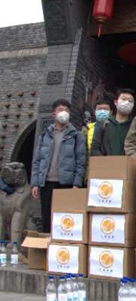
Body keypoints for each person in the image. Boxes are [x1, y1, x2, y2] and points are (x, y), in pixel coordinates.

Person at [31, 99, 87, 233]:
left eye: (67, 110)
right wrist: (35, 183)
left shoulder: (76, 135)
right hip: (46, 182)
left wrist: (77, 183)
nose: (64, 113)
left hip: (66, 183)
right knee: (46, 218)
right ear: (54, 114)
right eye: (61, 110)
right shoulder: (45, 135)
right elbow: (37, 160)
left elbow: (81, 161)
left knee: (64, 220)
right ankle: (46, 243)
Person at [91, 88, 135, 156]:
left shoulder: (134, 125)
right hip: (105, 162)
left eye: (130, 101)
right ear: (115, 102)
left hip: (127, 162)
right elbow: (94, 147)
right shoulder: (104, 124)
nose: (127, 102)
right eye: (123, 99)